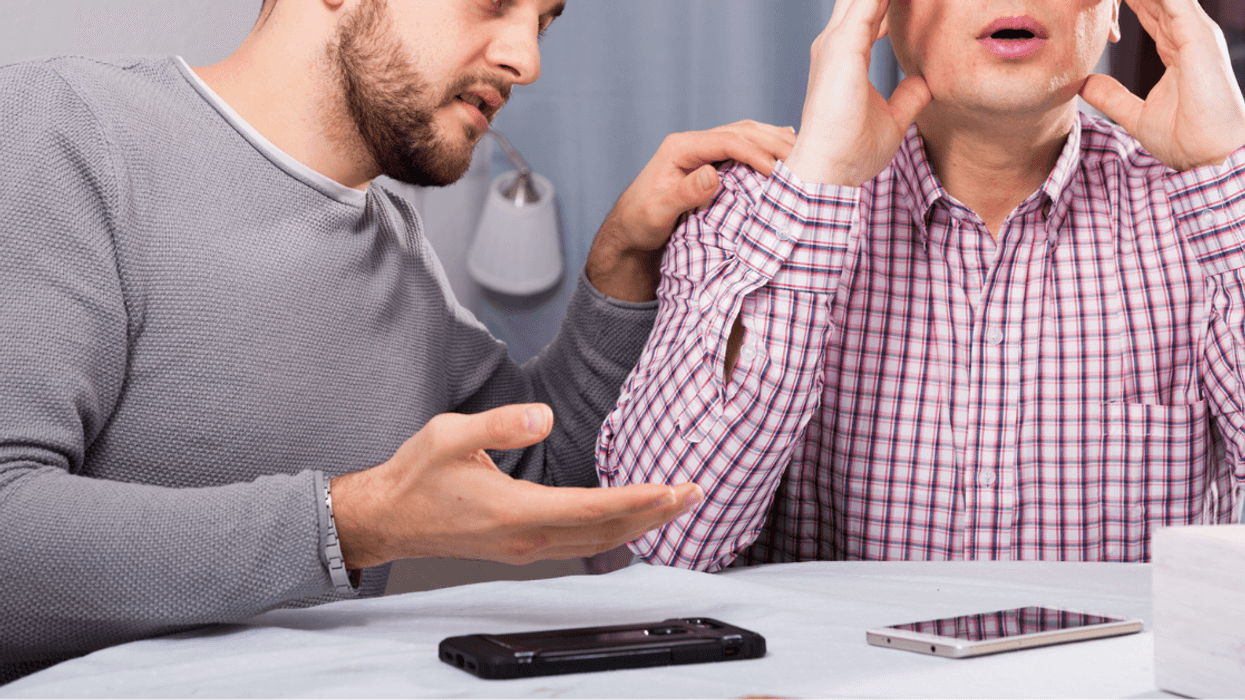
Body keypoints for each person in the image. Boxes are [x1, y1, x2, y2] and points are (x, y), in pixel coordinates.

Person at [0, 0, 798, 683]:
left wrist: (620, 258)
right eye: (494, 3)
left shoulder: (397, 246)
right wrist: (350, 522)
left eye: (543, 24)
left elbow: (546, 471)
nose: (525, 60)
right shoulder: (61, 129)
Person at [598, 0, 1245, 572]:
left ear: (1115, 12)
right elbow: (667, 541)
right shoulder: (746, 212)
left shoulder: (1208, 212)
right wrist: (818, 188)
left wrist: (1226, 179)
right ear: (884, 14)